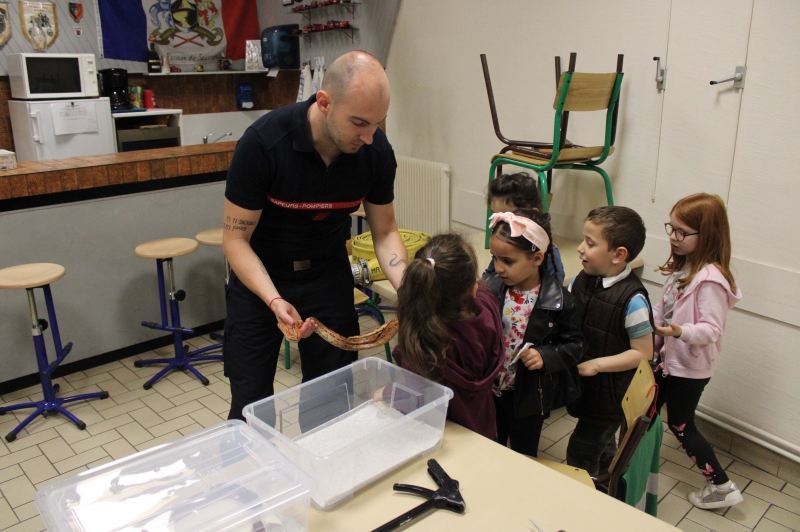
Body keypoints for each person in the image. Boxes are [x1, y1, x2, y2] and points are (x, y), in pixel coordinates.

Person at [222, 51, 408, 421]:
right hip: (261, 278)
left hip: (327, 274)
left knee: (331, 402)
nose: (369, 137)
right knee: (250, 404)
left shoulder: (375, 152)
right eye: (358, 123)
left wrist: (411, 291)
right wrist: (274, 300)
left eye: (377, 124)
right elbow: (235, 241)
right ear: (324, 103)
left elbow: (385, 232)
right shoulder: (263, 144)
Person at [653, 193, 743, 509]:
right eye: (671, 228)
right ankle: (629, 463)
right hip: (668, 360)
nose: (674, 238)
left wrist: (680, 331)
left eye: (682, 232)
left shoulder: (711, 280)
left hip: (689, 368)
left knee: (680, 424)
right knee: (646, 411)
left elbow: (711, 330)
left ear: (707, 236)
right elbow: (665, 308)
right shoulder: (686, 267)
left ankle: (722, 486)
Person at [482, 210, 585, 455]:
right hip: (491, 389)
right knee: (490, 443)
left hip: (528, 396)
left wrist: (546, 355)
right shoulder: (491, 289)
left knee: (522, 451)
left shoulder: (560, 301)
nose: (498, 268)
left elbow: (576, 345)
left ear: (537, 258)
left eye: (508, 261)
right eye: (494, 258)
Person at [565, 206, 654, 476]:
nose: (580, 248)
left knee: (580, 455)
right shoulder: (583, 279)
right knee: (603, 452)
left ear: (619, 255)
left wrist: (597, 365)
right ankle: (612, 487)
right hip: (588, 390)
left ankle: (587, 502)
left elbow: (643, 353)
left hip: (610, 397)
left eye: (590, 243)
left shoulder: (633, 299)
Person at [389, 234, 505, 440]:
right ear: (472, 289)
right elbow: (483, 292)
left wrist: (385, 394)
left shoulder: (424, 339)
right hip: (484, 426)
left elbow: (412, 397)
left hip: (441, 435)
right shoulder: (488, 309)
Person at [485, 173, 565, 284]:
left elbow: (555, 293)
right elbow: (487, 280)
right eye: (497, 217)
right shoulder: (503, 248)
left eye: (510, 217)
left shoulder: (550, 255)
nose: (501, 225)